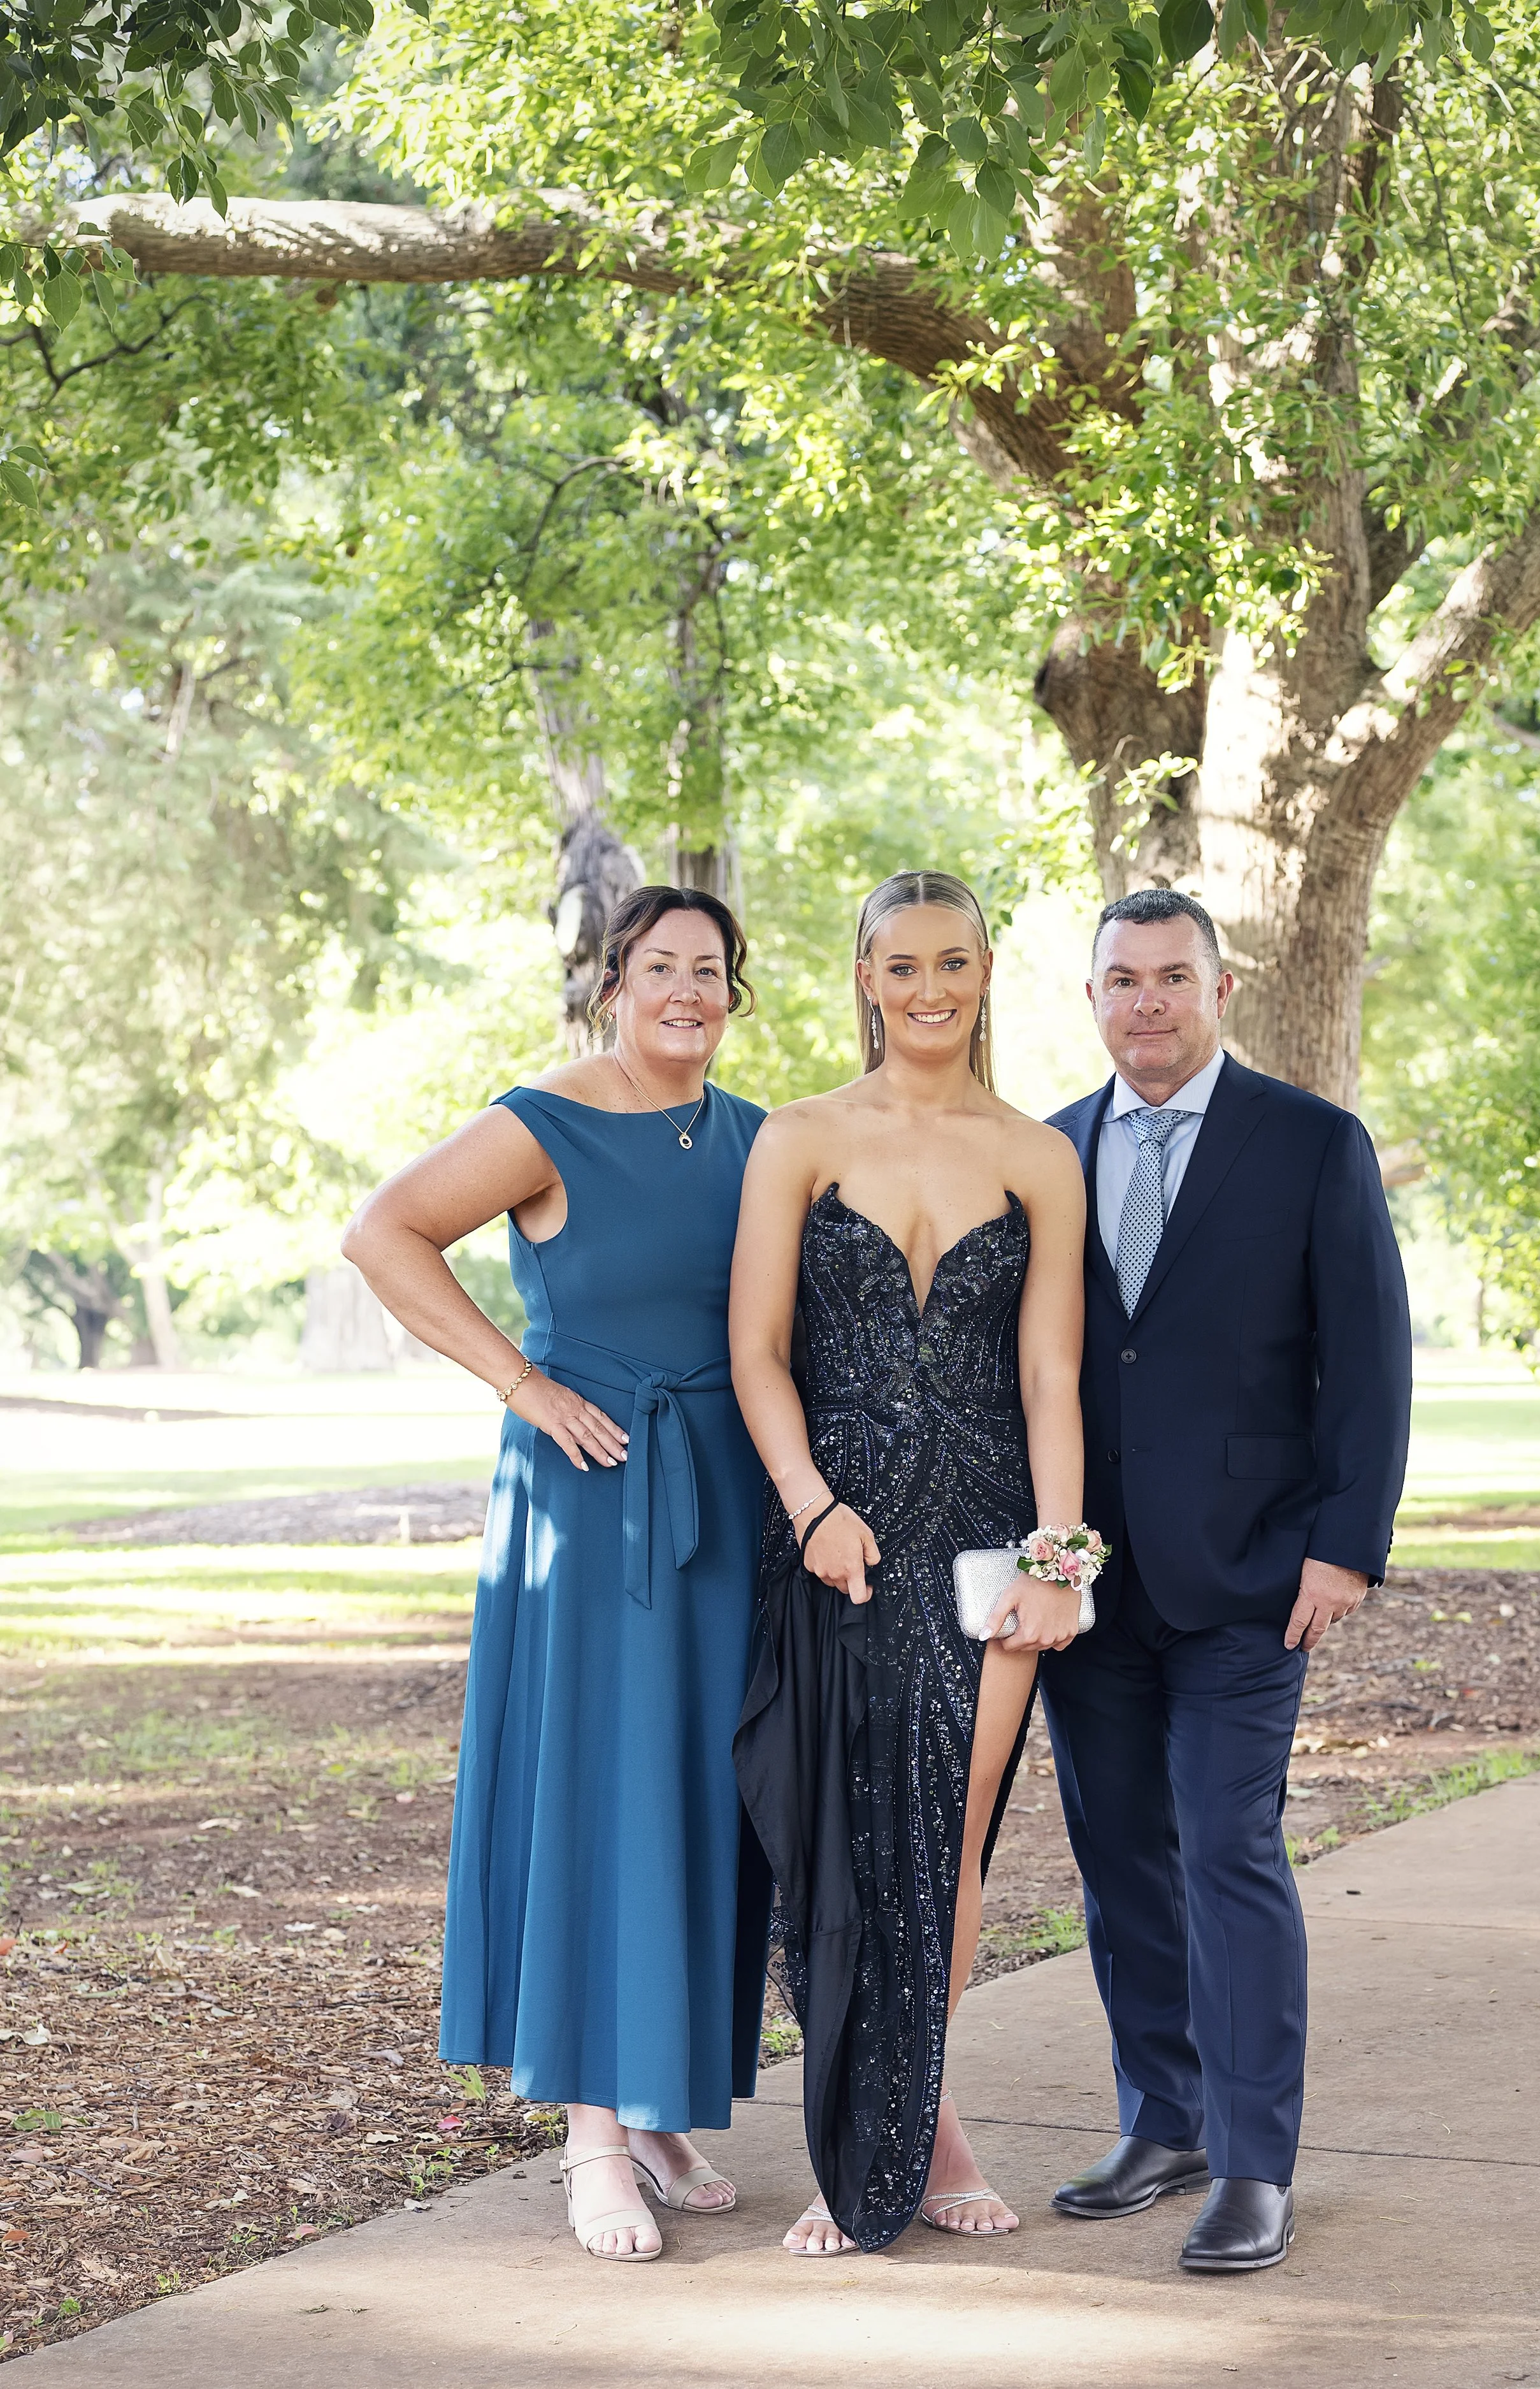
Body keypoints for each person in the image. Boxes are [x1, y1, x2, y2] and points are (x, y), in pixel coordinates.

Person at [340, 886, 770, 2265]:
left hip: (727, 1503)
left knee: (699, 1796)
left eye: (710, 969)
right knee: (600, 1790)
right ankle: (591, 2133)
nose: (686, 990)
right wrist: (521, 1382)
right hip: (590, 1499)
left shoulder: (759, 1135)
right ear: (613, 984)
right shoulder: (546, 1119)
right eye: (661, 966)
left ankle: (661, 2105)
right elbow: (383, 1232)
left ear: (734, 992)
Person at [1041, 886, 1411, 2272]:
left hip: (1255, 1569)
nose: (1146, 1002)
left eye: (1171, 977)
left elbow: (1368, 1355)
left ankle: (1254, 2161)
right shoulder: (1047, 1149)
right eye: (1121, 979)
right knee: (1117, 1857)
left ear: (1220, 987)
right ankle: (1166, 2117)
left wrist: (1345, 1542)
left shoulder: (1310, 1141)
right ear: (1091, 997)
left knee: (1226, 1848)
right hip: (1085, 1577)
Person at [730, 869, 1091, 2256]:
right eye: (902, 965)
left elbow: (1050, 1378)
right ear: (865, 979)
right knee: (844, 1839)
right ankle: (879, 2136)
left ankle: (915, 2130)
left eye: (953, 962)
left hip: (991, 1540)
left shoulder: (1036, 1155)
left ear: (985, 974)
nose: (929, 989)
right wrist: (811, 1505)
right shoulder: (800, 1136)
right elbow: (758, 1353)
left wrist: (1059, 1560)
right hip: (841, 1539)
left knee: (950, 1838)